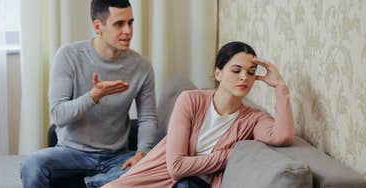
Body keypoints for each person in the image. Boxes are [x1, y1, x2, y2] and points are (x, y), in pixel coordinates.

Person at [102, 41, 295, 188]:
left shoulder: (253, 118)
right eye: (236, 70)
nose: (244, 77)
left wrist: (280, 86)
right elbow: (176, 167)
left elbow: (283, 136)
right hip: (152, 176)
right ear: (218, 73)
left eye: (251, 72)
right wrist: (229, 155)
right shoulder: (190, 100)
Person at [20, 0, 158, 187]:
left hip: (116, 157)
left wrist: (143, 153)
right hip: (71, 153)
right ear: (97, 27)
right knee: (31, 165)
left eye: (130, 22)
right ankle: (99, 184)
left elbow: (147, 118)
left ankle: (92, 183)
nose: (128, 31)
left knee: (155, 169)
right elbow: (58, 115)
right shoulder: (68, 56)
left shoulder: (142, 67)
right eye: (119, 24)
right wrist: (93, 96)